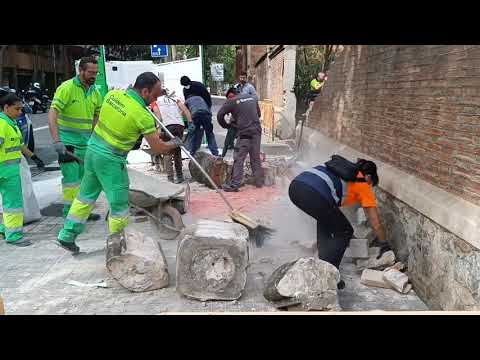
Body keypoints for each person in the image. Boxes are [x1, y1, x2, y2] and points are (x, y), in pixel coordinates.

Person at [56, 72, 182, 253]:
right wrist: (173, 143)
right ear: (145, 91)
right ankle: (118, 248)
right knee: (120, 206)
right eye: (154, 95)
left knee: (85, 196)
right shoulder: (142, 115)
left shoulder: (112, 95)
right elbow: (157, 149)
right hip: (111, 161)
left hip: (92, 153)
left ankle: (66, 235)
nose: (154, 99)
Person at [288, 156, 390, 289]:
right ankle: (330, 276)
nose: (369, 188)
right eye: (371, 185)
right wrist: (384, 244)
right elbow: (375, 223)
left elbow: (334, 214)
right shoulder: (362, 183)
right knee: (345, 231)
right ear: (369, 177)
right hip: (313, 193)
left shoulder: (341, 169)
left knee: (326, 221)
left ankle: (323, 261)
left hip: (295, 187)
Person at [48, 56, 103, 221]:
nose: (94, 76)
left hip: (86, 144)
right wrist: (57, 141)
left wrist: (96, 139)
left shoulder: (95, 91)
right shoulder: (66, 88)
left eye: (96, 73)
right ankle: (71, 215)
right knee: (72, 182)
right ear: (81, 71)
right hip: (68, 144)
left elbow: (96, 116)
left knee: (86, 181)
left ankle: (82, 212)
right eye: (91, 72)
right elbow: (53, 114)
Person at [0, 93, 45, 247]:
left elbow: (19, 146)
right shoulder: (2, 124)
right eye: (17, 109)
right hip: (5, 172)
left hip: (10, 172)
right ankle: (13, 235)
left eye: (21, 109)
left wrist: (34, 157)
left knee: (9, 203)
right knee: (13, 204)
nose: (20, 112)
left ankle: (4, 228)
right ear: (6, 107)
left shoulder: (10, 123)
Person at [217, 88, 263, 192]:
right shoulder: (252, 97)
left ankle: (234, 185)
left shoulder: (231, 101)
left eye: (228, 97)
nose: (228, 99)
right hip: (256, 131)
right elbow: (258, 114)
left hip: (245, 133)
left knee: (239, 158)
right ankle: (259, 182)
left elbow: (220, 115)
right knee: (255, 157)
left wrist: (227, 125)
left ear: (232, 95)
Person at [151, 92, 192, 183]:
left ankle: (170, 179)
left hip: (167, 126)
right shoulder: (175, 98)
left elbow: (158, 116)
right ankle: (180, 176)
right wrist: (190, 122)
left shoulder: (155, 101)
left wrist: (158, 129)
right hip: (179, 126)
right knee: (177, 150)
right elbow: (185, 109)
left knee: (167, 152)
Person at [221, 88, 238, 157]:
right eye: (228, 98)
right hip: (235, 124)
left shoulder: (239, 101)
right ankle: (223, 155)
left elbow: (220, 115)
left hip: (238, 124)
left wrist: (225, 125)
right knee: (228, 141)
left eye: (231, 97)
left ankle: (223, 156)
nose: (229, 99)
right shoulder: (231, 101)